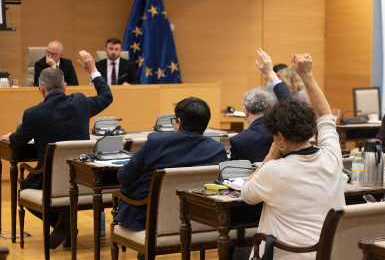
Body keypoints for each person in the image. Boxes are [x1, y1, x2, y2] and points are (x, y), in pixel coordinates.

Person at [234, 50, 345, 259]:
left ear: (281, 138)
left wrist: (268, 159)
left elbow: (246, 193)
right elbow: (326, 116)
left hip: (288, 255)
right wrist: (307, 74)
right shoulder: (332, 156)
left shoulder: (273, 170)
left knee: (239, 253)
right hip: (329, 253)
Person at [0, 50, 113, 248]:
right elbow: (106, 96)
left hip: (50, 182)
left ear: (41, 89)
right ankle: (66, 224)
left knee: (25, 188)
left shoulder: (33, 113)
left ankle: (63, 224)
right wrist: (93, 70)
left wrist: (12, 136)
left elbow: (18, 142)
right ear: (65, 87)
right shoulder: (80, 102)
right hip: (83, 177)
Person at [115, 97, 228, 232]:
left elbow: (123, 177)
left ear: (179, 122)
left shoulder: (155, 142)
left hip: (148, 218)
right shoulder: (217, 149)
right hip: (200, 219)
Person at [229, 50, 293, 163]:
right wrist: (270, 73)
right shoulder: (283, 133)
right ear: (271, 107)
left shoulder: (238, 140)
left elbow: (232, 172)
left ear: (246, 111)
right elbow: (291, 106)